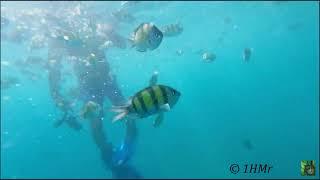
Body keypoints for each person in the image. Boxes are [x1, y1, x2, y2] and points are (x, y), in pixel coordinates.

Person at [45, 11, 143, 179]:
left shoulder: (91, 32)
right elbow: (54, 69)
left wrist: (110, 33)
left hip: (107, 80)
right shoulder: (58, 41)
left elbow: (122, 44)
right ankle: (111, 160)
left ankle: (127, 150)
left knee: (129, 113)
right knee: (96, 124)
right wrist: (56, 95)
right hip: (87, 86)